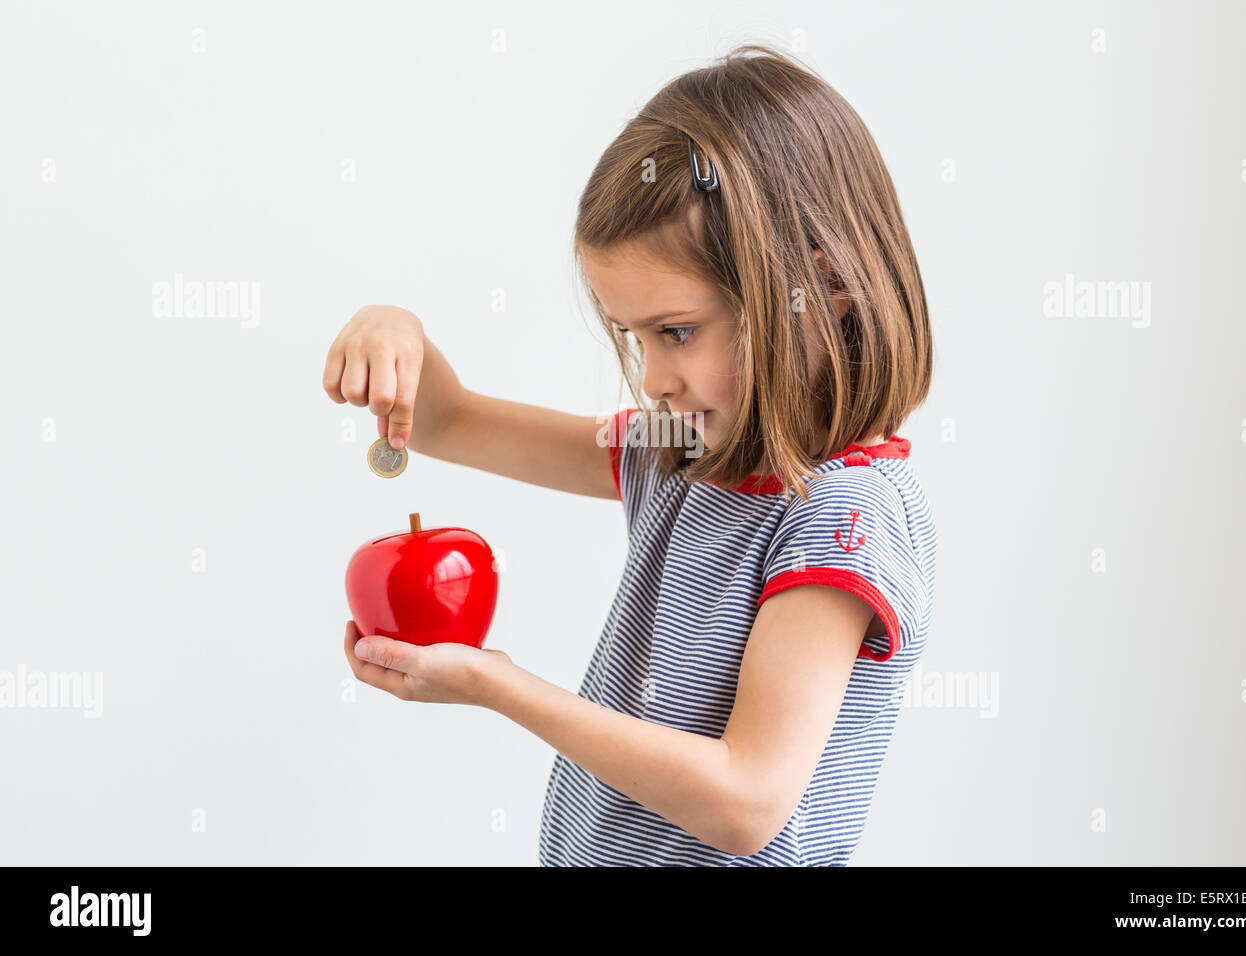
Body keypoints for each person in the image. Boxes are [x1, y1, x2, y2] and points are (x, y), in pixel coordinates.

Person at [322, 42, 936, 866]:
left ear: (817, 289)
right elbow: (452, 423)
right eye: (631, 336)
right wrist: (394, 327)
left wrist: (496, 685)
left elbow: (746, 800)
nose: (653, 379)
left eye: (676, 332)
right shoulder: (680, 450)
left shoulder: (844, 517)